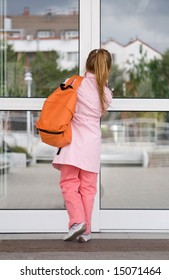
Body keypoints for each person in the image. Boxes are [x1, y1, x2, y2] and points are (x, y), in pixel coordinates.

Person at [52, 49, 112, 242]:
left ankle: (77, 221)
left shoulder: (73, 83)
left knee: (69, 183)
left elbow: (57, 103)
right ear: (107, 68)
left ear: (87, 64)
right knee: (88, 188)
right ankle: (86, 231)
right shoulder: (107, 94)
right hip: (92, 146)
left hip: (72, 143)